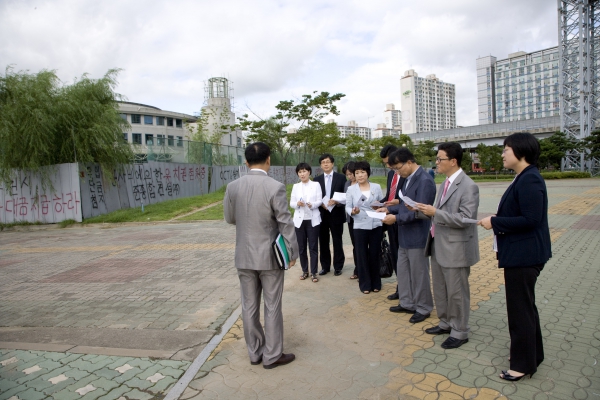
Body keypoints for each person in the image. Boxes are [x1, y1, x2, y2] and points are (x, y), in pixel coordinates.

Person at [478, 132, 551, 381]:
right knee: (526, 308)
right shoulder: (524, 177)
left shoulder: (530, 179)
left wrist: (495, 222)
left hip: (525, 255)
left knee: (520, 311)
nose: (502, 154)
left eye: (506, 149)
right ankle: (531, 354)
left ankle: (522, 365)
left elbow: (531, 219)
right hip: (522, 253)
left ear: (520, 151)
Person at [224, 142, 299, 369]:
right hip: (270, 257)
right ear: (269, 160)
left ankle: (255, 352)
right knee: (272, 305)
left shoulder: (233, 186)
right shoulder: (275, 186)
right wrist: (292, 251)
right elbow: (285, 223)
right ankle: (272, 355)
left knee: (248, 306)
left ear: (246, 162)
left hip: (244, 257)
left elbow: (229, 218)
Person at [414, 142, 480, 349]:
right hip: (439, 244)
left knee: (457, 292)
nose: (437, 163)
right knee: (441, 288)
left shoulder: (469, 186)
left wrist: (436, 213)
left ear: (453, 161)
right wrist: (420, 209)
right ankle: (445, 322)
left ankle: (460, 331)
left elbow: (466, 218)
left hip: (456, 249)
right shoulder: (445, 183)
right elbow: (439, 212)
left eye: (440, 159)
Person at [380, 148, 436, 323]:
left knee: (419, 274)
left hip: (417, 235)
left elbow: (421, 212)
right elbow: (405, 205)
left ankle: (423, 307)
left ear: (409, 162)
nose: (397, 172)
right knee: (403, 271)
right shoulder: (406, 179)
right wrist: (388, 208)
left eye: (398, 168)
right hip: (404, 234)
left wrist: (395, 218)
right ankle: (407, 302)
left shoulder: (425, 180)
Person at [345, 161, 384, 294]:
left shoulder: (376, 187)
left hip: (375, 224)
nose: (360, 175)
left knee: (374, 253)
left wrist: (378, 206)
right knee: (361, 254)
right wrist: (352, 212)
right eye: (357, 173)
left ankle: (376, 282)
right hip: (359, 224)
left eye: (362, 172)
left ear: (368, 173)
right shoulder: (351, 189)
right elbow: (348, 206)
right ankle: (365, 284)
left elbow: (382, 204)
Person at [314, 154, 347, 276]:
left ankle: (338, 266)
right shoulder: (317, 180)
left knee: (337, 240)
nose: (326, 164)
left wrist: (337, 201)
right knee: (323, 241)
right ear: (321, 165)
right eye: (323, 162)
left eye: (328, 162)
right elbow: (315, 196)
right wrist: (320, 204)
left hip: (336, 213)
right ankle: (325, 266)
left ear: (332, 164)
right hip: (322, 214)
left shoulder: (341, 178)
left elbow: (346, 195)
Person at [290, 162, 322, 283]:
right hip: (299, 221)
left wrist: (312, 204)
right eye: (300, 172)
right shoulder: (295, 186)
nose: (302, 174)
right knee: (302, 247)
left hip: (313, 220)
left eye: (304, 171)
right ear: (297, 174)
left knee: (313, 247)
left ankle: (314, 272)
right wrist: (297, 204)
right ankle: (305, 271)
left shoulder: (316, 184)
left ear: (309, 172)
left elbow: (319, 200)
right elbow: (292, 203)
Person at [380, 144, 403, 300]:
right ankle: (401, 288)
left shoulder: (407, 175)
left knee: (404, 257)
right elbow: (389, 197)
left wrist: (393, 206)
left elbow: (407, 201)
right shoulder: (391, 175)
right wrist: (377, 204)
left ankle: (408, 289)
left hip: (403, 221)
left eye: (389, 162)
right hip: (390, 221)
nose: (388, 166)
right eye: (386, 163)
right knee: (395, 255)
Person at [342, 161, 359, 280]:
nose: (350, 176)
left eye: (351, 173)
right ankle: (357, 269)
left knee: (362, 245)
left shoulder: (363, 183)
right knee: (355, 245)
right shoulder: (347, 184)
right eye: (347, 174)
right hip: (350, 218)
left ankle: (364, 269)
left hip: (362, 217)